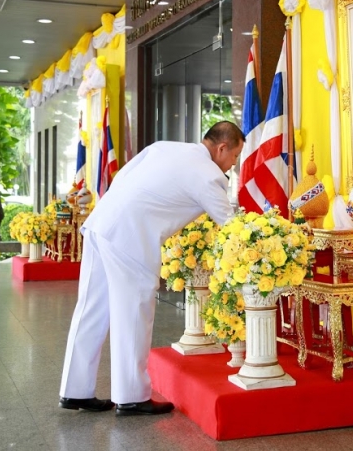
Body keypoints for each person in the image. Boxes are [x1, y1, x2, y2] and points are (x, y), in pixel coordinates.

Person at [58, 121, 245, 416]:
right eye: (234, 156)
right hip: (129, 237)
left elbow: (123, 177)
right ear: (222, 148)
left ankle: (75, 391)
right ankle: (131, 397)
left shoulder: (164, 147)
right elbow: (233, 226)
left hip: (100, 224)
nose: (233, 164)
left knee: (90, 310)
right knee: (133, 314)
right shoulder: (209, 175)